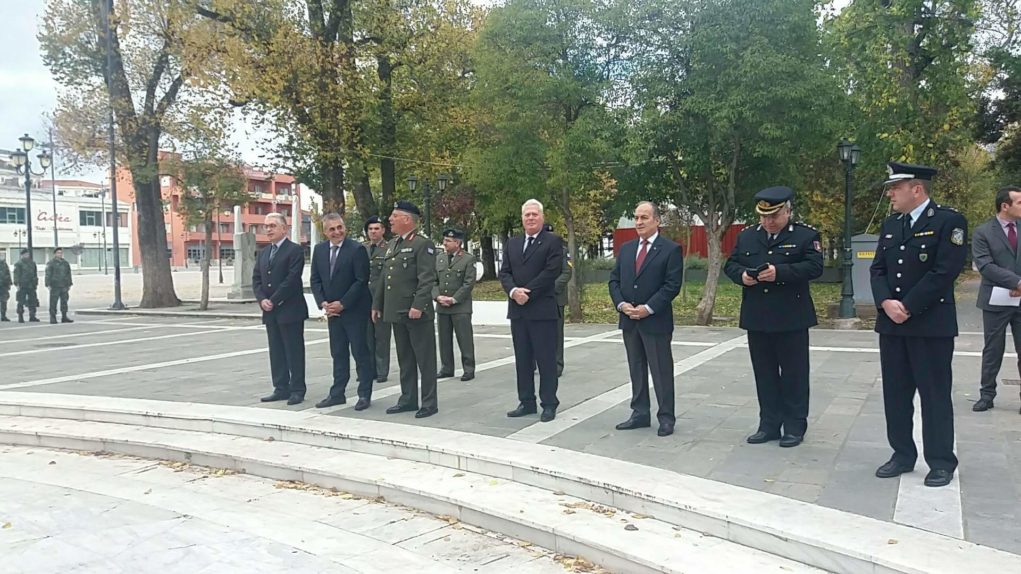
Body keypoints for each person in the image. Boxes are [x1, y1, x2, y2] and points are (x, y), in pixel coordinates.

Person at [870, 162, 967, 488]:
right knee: (895, 393)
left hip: (930, 325)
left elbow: (945, 271)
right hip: (892, 325)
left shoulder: (948, 221)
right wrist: (885, 302)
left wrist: (908, 306)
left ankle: (940, 461)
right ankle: (901, 454)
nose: (890, 193)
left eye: (895, 187)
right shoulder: (891, 224)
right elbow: (878, 269)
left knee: (934, 394)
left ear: (917, 189)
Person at [724, 186, 822, 448]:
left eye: (774, 216)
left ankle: (794, 426)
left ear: (787, 212)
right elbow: (731, 264)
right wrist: (742, 277)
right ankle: (768, 424)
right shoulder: (747, 237)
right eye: (763, 217)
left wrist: (780, 272)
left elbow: (815, 267)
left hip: (791, 316)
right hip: (757, 316)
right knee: (764, 374)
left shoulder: (805, 235)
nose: (768, 222)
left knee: (794, 375)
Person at [609, 202, 683, 437]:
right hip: (630, 321)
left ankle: (666, 417)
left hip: (655, 321)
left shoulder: (670, 250)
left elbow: (672, 286)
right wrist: (622, 305)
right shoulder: (627, 249)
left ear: (657, 221)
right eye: (636, 217)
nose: (639, 222)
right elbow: (614, 281)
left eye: (644, 217)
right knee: (636, 368)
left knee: (660, 370)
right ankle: (640, 413)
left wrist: (648, 308)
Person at [371, 201, 439, 419]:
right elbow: (384, 277)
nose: (389, 219)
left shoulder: (422, 244)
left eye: (394, 215)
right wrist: (377, 304)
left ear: (407, 219)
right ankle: (408, 399)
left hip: (416, 312)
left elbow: (427, 278)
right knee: (405, 359)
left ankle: (429, 403)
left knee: (424, 360)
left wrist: (418, 305)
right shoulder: (393, 244)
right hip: (397, 311)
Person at [500, 199, 564, 422]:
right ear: (522, 218)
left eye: (534, 214)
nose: (530, 218)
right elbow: (504, 272)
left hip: (542, 309)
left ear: (542, 217)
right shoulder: (513, 243)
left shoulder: (552, 241)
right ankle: (526, 401)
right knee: (523, 359)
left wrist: (527, 292)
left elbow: (551, 271)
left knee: (546, 360)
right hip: (518, 311)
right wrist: (514, 291)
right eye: (527, 215)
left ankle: (549, 403)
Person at [310, 213, 375, 411]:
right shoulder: (319, 250)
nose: (337, 232)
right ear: (325, 232)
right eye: (332, 229)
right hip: (332, 313)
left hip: (354, 311)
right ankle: (337, 393)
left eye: (340, 227)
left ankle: (364, 394)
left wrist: (343, 303)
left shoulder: (356, 249)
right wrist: (323, 303)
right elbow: (315, 279)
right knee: (338, 353)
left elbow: (361, 280)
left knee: (360, 352)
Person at [971, 186, 1021, 413]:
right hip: (996, 299)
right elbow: (985, 265)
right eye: (1019, 202)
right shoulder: (983, 232)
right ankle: (986, 394)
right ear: (1005, 206)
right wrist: (1016, 282)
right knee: (993, 349)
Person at [253, 213, 308, 406]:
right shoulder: (264, 252)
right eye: (266, 226)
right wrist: (262, 299)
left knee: (294, 351)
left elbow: (292, 279)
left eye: (273, 226)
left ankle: (297, 389)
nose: (268, 229)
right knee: (276, 351)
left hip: (290, 309)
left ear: (284, 228)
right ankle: (281, 387)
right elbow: (257, 279)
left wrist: (274, 300)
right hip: (270, 311)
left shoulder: (294, 251)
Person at [435, 228, 477, 381]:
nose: (444, 243)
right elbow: (433, 280)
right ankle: (447, 368)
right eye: (444, 240)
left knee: (464, 339)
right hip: (442, 305)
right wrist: (437, 296)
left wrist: (453, 299)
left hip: (460, 307)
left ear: (458, 243)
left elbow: (468, 283)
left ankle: (468, 368)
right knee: (444, 340)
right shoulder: (439, 258)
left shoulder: (468, 259)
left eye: (448, 241)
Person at [364, 215, 391, 383]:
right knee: (366, 337)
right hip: (364, 299)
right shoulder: (363, 248)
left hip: (382, 299)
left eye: (376, 229)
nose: (373, 232)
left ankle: (382, 371)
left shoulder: (389, 249)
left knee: (381, 336)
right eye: (370, 229)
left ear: (383, 230)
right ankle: (369, 369)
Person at [45, 247, 74, 324]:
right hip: (55, 285)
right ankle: (53, 317)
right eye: (58, 253)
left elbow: (68, 274)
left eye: (61, 253)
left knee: (64, 302)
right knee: (53, 302)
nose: (60, 254)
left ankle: (64, 316)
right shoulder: (51, 263)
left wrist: (69, 283)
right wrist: (48, 284)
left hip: (64, 285)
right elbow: (48, 274)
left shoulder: (65, 263)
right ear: (55, 254)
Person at [12, 249, 40, 323]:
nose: (26, 256)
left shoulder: (32, 263)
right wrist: (17, 284)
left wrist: (35, 283)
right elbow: (16, 275)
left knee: (33, 301)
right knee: (21, 301)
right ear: (22, 255)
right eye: (25, 254)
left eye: (27, 254)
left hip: (31, 285)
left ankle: (32, 316)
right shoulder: (18, 264)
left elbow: (35, 274)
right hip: (22, 285)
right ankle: (20, 316)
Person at [0, 254, 10, 322]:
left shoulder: (4, 264)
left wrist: (9, 283)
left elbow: (8, 274)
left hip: (3, 286)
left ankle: (3, 316)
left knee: (4, 301)